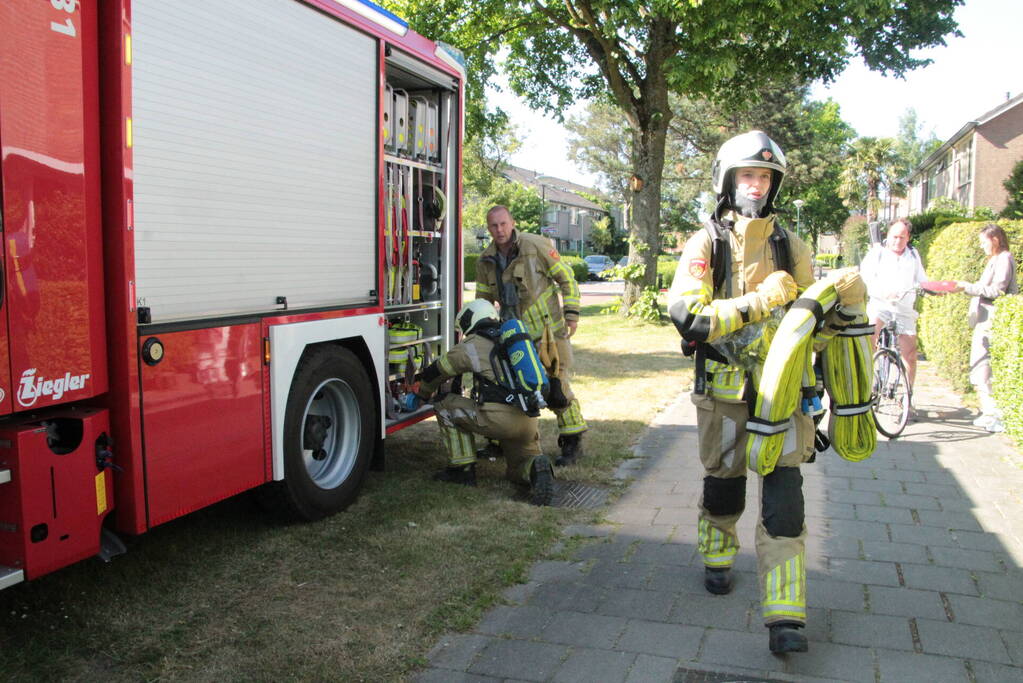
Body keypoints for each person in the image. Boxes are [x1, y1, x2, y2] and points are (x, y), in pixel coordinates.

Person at [668, 131, 865, 654]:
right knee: (725, 485)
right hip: (726, 398)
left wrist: (839, 314)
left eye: (764, 177)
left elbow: (812, 325)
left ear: (774, 185)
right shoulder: (705, 243)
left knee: (785, 502)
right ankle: (716, 558)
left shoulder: (790, 245)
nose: (755, 186)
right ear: (728, 181)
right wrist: (757, 301)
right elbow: (689, 317)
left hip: (785, 399)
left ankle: (786, 619)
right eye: (746, 176)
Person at [405, 299, 555, 505]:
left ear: (470, 321)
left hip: (498, 420)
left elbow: (439, 371)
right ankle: (536, 467)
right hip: (527, 420)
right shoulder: (510, 339)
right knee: (516, 469)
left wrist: (421, 394)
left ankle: (462, 470)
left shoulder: (472, 344)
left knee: (444, 405)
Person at [475, 205, 587, 466]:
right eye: (494, 226)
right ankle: (507, 441)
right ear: (488, 228)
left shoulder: (535, 245)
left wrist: (571, 314)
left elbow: (567, 278)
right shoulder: (485, 259)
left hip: (548, 333)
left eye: (503, 224)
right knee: (508, 388)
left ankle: (573, 442)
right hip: (513, 335)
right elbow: (483, 299)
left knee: (557, 388)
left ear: (512, 223)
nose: (499, 230)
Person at [952, 224, 1018, 433]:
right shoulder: (995, 260)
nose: (982, 247)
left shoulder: (1004, 258)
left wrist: (967, 287)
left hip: (992, 320)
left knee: (985, 367)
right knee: (980, 366)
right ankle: (989, 412)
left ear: (995, 240)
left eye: (984, 242)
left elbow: (998, 290)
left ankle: (996, 415)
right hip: (983, 320)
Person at [859, 218, 927, 390]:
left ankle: (907, 396)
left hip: (903, 308)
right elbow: (865, 278)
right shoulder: (877, 253)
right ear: (887, 236)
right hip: (880, 305)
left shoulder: (912, 254)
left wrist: (932, 288)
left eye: (902, 237)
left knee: (910, 354)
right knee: (869, 340)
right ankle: (866, 384)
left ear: (908, 237)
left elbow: (922, 279)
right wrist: (883, 292)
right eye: (894, 237)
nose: (897, 241)